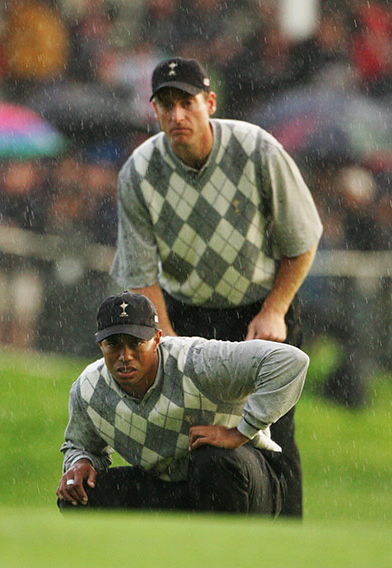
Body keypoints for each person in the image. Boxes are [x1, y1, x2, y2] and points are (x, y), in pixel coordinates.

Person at [110, 57, 323, 516]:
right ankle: (207, 544)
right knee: (194, 436)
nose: (176, 115)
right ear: (155, 111)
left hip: (262, 308)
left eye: (186, 103)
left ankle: (288, 545)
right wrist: (168, 346)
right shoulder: (139, 172)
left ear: (210, 102)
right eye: (165, 105)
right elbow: (141, 272)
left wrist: (274, 309)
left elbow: (302, 239)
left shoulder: (257, 150)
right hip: (187, 315)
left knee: (273, 435)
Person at [56, 291, 309, 515]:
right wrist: (80, 463)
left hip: (248, 478)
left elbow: (290, 361)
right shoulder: (88, 388)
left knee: (213, 461)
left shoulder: (197, 361)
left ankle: (227, 554)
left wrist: (240, 433)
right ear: (100, 342)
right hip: (172, 486)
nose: (125, 356)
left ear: (157, 339)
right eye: (113, 344)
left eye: (136, 343)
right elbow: (79, 445)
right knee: (76, 494)